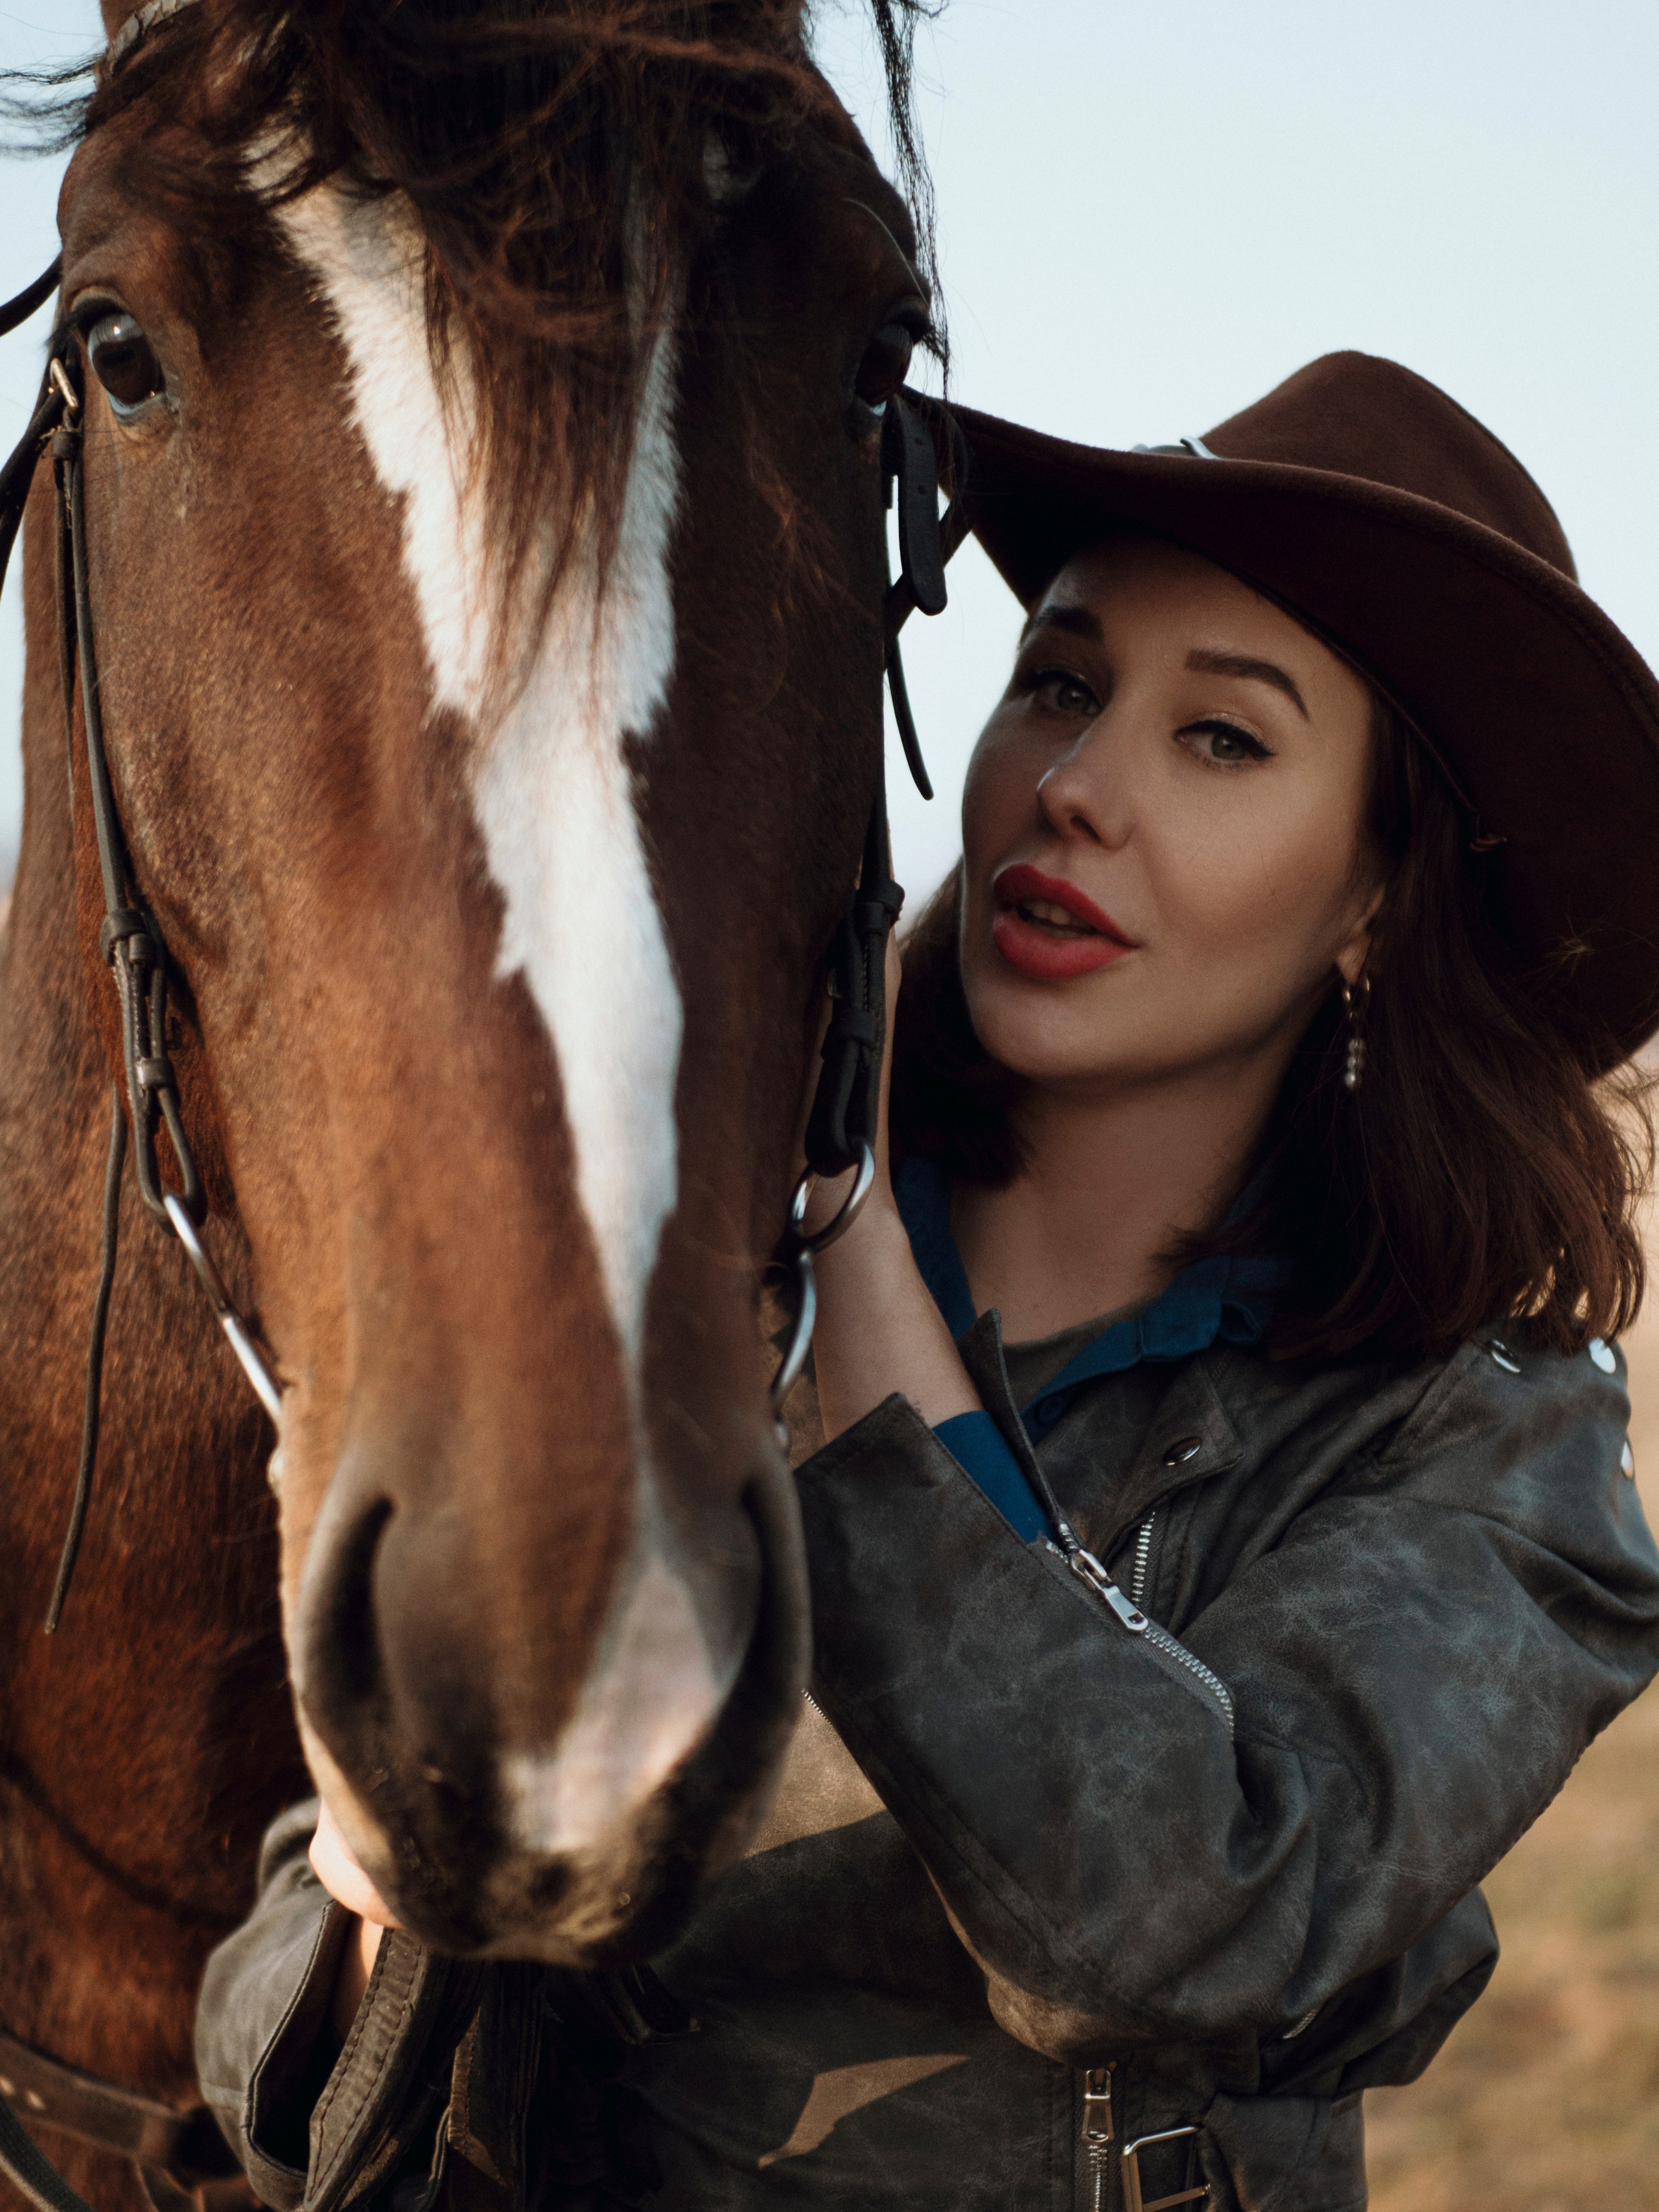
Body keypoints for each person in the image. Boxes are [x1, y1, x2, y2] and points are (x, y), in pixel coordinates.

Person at [196, 353, 1659, 2212]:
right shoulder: (672, 1296)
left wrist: (847, 1255)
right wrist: (381, 1870)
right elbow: (271, 2073)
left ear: (1378, 896)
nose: (1073, 787)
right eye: (1059, 684)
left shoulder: (1492, 1452)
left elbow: (1159, 1926)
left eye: (1221, 739)